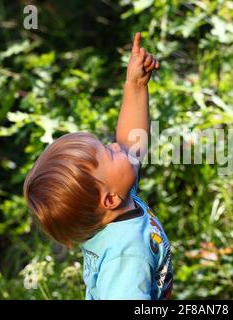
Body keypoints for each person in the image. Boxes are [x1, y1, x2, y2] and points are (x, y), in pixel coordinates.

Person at [23, 32, 173, 299]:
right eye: (110, 153)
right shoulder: (126, 255)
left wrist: (135, 86)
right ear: (110, 199)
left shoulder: (115, 203)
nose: (116, 146)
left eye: (107, 147)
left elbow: (131, 142)